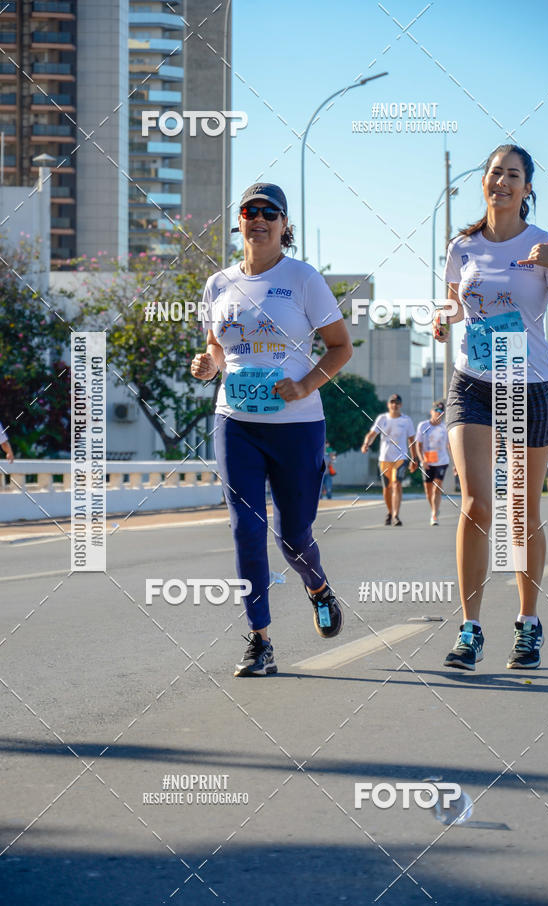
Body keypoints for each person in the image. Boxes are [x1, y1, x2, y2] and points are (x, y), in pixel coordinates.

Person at [433, 144, 548, 671]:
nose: (501, 181)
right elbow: (457, 302)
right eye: (495, 172)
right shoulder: (462, 246)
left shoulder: (543, 244)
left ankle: (527, 624)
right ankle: (470, 628)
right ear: (484, 182)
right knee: (478, 504)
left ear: (527, 189)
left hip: (530, 386)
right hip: (474, 383)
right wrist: (443, 316)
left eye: (513, 175)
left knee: (521, 512)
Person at [191, 183, 353, 677]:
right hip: (235, 422)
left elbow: (340, 347)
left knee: (292, 536)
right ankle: (259, 641)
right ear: (238, 221)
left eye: (270, 212)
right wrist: (206, 366)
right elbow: (218, 352)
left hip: (296, 426)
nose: (258, 218)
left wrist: (305, 386)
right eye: (249, 211)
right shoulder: (217, 285)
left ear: (284, 226)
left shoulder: (302, 279)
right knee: (246, 530)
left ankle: (318, 587)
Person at [361, 394, 415, 526]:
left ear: (400, 405)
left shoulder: (406, 420)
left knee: (396, 484)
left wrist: (414, 459)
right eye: (392, 402)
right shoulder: (382, 419)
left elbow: (411, 440)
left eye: (397, 403)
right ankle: (390, 512)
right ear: (388, 405)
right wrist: (366, 444)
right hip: (384, 458)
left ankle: (396, 515)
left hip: (400, 458)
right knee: (387, 488)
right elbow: (372, 434)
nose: (394, 405)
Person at [415, 400, 450, 525]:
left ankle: (434, 515)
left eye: (441, 411)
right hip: (427, 461)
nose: (439, 413)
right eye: (437, 411)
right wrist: (422, 459)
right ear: (431, 412)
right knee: (428, 491)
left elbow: (449, 446)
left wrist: (456, 464)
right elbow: (418, 445)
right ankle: (434, 508)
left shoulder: (445, 428)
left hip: (442, 461)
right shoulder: (423, 426)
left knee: (437, 489)